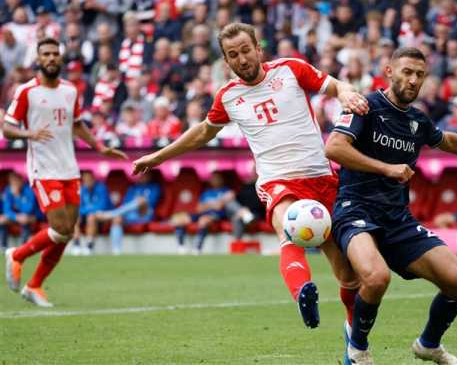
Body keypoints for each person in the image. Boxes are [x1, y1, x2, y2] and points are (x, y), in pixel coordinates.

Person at [132, 23, 367, 329]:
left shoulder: (290, 69)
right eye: (233, 55)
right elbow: (203, 132)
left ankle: (355, 344)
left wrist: (347, 92)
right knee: (289, 227)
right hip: (277, 180)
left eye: (245, 51)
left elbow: (334, 86)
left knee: (348, 274)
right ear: (226, 62)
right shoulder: (228, 96)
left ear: (258, 49)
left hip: (321, 177)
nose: (241, 59)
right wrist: (158, 156)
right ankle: (302, 292)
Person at [324, 47, 457, 365]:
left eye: (420, 74)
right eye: (407, 71)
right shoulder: (364, 105)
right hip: (355, 210)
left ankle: (428, 345)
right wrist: (386, 168)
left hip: (397, 219)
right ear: (389, 71)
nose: (413, 79)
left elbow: (449, 140)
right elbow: (334, 147)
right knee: (376, 279)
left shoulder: (418, 121)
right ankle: (358, 348)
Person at [3, 37, 127, 307]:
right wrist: (30, 133)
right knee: (59, 227)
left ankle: (34, 286)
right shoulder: (27, 91)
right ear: (38, 59)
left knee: (67, 232)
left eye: (54, 54)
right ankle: (18, 254)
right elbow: (7, 127)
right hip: (43, 169)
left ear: (60, 58)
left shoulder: (70, 90)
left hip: (69, 168)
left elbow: (78, 124)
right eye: (45, 54)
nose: (50, 58)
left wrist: (100, 147)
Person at [173, 172, 255, 255]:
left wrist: (210, 205)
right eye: (212, 178)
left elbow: (220, 206)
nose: (214, 180)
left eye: (216, 178)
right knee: (179, 220)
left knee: (203, 220)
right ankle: (181, 247)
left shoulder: (227, 190)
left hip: (215, 215)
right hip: (202, 213)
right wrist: (212, 204)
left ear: (222, 180)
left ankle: (197, 248)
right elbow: (199, 209)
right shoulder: (206, 192)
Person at [97, 173, 161, 255]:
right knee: (117, 219)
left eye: (145, 174)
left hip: (145, 214)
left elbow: (151, 203)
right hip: (130, 215)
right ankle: (116, 251)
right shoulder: (132, 188)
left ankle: (111, 214)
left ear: (150, 176)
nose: (142, 176)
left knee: (141, 200)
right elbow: (125, 204)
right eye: (140, 174)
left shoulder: (155, 187)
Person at [71, 171, 111, 255]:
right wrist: (88, 210)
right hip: (85, 216)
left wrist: (87, 210)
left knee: (91, 217)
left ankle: (89, 245)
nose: (87, 181)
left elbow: (102, 206)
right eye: (85, 180)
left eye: (89, 179)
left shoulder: (101, 188)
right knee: (75, 216)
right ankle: (76, 243)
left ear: (94, 179)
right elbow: (78, 207)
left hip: (102, 218)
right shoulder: (82, 190)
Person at [2, 172, 38, 248]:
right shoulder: (8, 190)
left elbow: (29, 209)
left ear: (21, 180)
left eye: (15, 180)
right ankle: (2, 247)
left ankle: (23, 247)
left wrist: (17, 196)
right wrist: (16, 217)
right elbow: (6, 210)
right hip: (17, 217)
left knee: (25, 220)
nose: (14, 183)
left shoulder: (29, 190)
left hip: (32, 216)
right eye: (11, 181)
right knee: (2, 221)